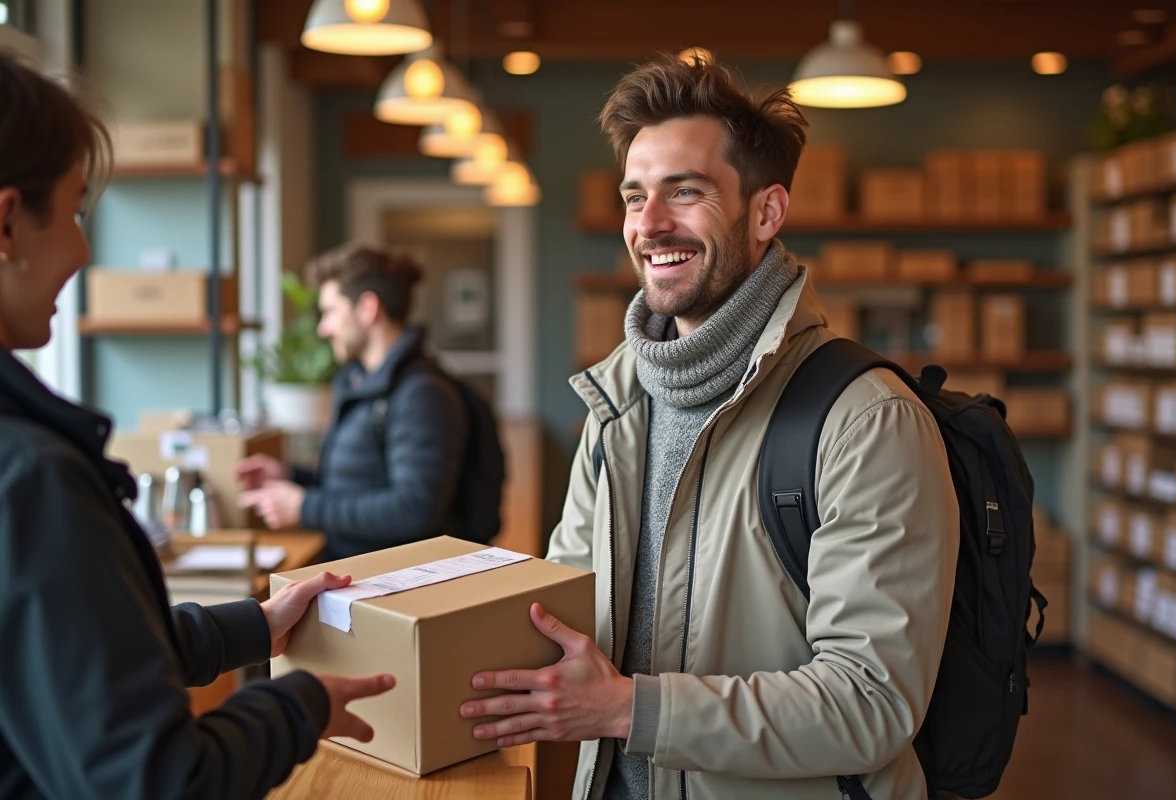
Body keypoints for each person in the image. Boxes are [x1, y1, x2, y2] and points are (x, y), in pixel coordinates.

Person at [457, 54, 960, 800]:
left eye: (684, 192)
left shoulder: (867, 420)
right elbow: (565, 613)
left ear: (766, 212)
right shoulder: (615, 405)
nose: (649, 224)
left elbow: (872, 703)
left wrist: (631, 709)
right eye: (635, 197)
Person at [0, 52, 395, 799]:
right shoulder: (31, 476)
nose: (85, 251)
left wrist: (256, 625)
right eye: (78, 212)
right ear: (9, 224)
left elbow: (77, 654)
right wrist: (301, 702)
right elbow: (158, 782)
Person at [237, 245, 477, 561]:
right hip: (357, 574)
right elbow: (359, 482)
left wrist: (304, 507)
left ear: (367, 308)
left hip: (389, 588)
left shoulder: (422, 394)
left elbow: (414, 509)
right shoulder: (360, 382)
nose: (324, 328)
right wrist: (290, 476)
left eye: (330, 311)